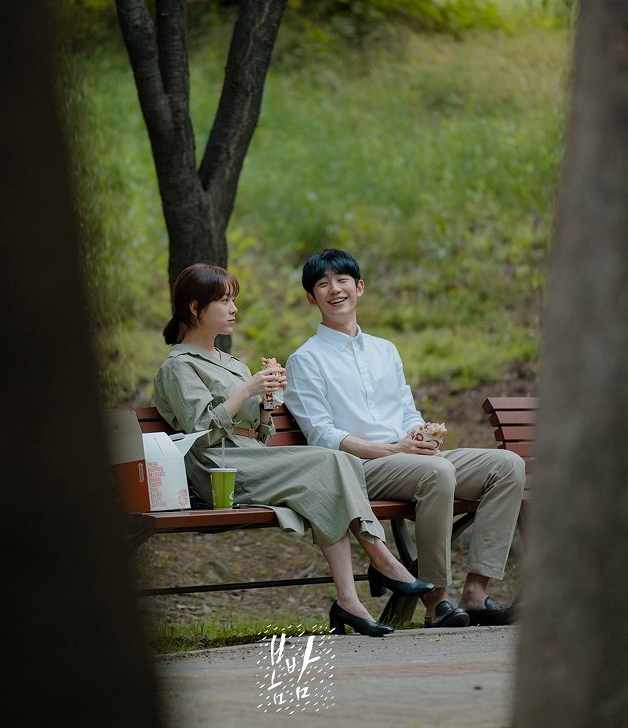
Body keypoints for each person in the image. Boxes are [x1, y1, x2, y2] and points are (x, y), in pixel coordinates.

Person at [153, 262, 435, 637]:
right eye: (224, 301)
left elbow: (259, 432)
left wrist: (267, 405)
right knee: (332, 462)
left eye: (233, 300)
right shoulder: (178, 366)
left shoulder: (233, 363)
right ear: (194, 308)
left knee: (333, 468)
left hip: (252, 458)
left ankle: (349, 600)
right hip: (218, 467)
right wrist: (247, 391)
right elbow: (201, 431)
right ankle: (382, 559)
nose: (234, 309)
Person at [283, 248, 526, 628]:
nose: (335, 289)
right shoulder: (306, 359)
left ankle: (476, 594)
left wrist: (419, 433)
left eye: (343, 280)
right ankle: (436, 601)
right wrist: (395, 448)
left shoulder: (385, 350)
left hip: (411, 457)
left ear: (359, 287)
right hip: (360, 467)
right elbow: (323, 435)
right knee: (438, 474)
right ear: (310, 298)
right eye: (322, 284)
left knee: (507, 466)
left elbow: (406, 410)